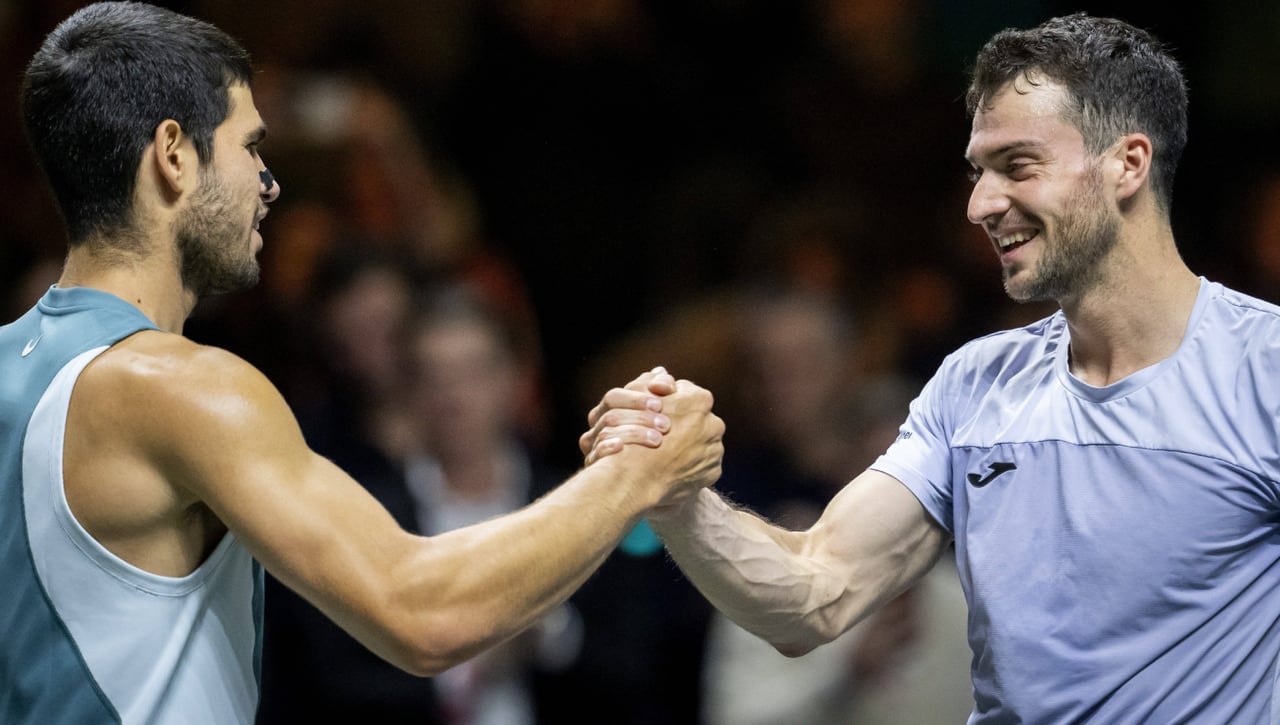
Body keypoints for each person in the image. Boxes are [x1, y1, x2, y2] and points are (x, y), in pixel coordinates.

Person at [2, 3, 723, 723]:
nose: (268, 183)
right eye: (249, 147)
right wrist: (639, 470)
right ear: (173, 154)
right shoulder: (185, 387)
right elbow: (423, 611)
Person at [584, 12, 1280, 723]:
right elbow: (813, 591)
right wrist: (672, 494)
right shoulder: (973, 384)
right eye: (979, 171)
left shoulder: (1267, 371)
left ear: (1126, 164)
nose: (980, 204)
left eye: (1018, 165)